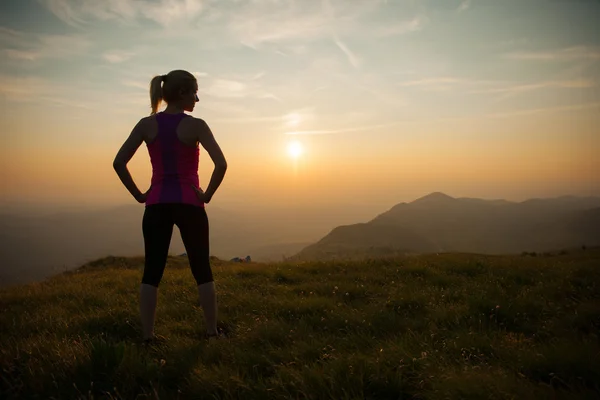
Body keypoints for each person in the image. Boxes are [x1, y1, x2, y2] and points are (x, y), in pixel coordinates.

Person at [113, 69, 227, 343]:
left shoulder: (146, 124)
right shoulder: (197, 126)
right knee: (202, 269)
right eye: (194, 92)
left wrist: (140, 195)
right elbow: (221, 164)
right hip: (190, 204)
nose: (197, 99)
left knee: (152, 271)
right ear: (181, 93)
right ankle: (212, 333)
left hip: (157, 205)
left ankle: (148, 337)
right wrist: (207, 194)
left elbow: (119, 162)